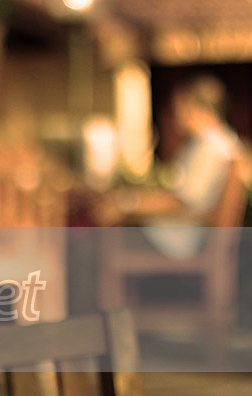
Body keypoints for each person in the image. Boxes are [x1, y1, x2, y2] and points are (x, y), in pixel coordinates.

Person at [98, 73, 242, 259]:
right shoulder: (225, 142)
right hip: (186, 235)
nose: (176, 114)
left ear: (197, 106)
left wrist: (128, 205)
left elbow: (181, 201)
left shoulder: (208, 147)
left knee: (99, 232)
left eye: (181, 105)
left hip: (178, 241)